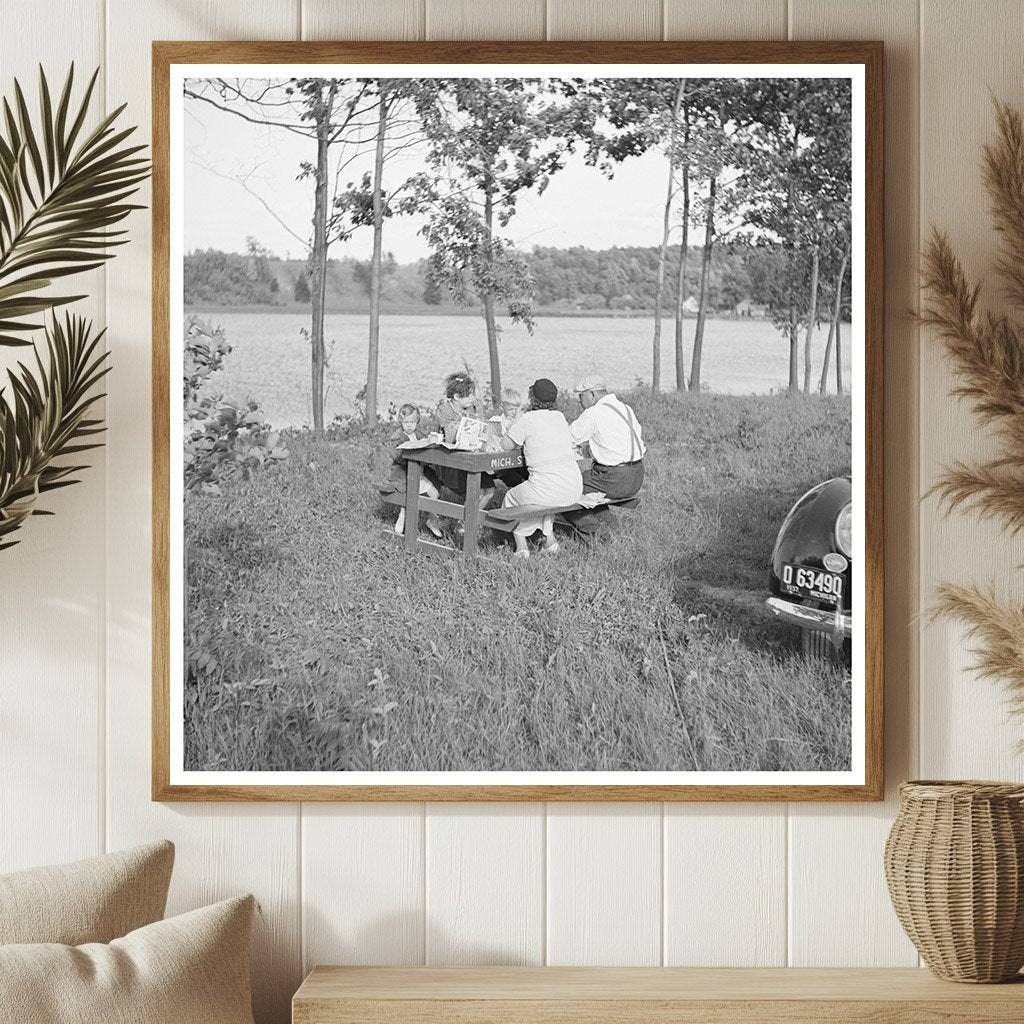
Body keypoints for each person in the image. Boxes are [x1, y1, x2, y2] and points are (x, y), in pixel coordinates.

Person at [500, 378, 583, 558]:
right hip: (574, 486)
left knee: (512, 497)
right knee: (543, 499)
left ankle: (520, 543)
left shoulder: (527, 419)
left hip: (548, 490)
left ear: (532, 397)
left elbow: (506, 446)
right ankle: (550, 539)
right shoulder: (559, 417)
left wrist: (515, 419)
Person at [565, 374, 646, 536]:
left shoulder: (594, 413)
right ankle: (614, 528)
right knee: (588, 484)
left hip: (615, 480)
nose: (579, 401)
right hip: (637, 476)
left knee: (566, 489)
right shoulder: (625, 408)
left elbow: (567, 438)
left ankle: (598, 534)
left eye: (581, 396)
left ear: (592, 394)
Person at [434, 370, 495, 515]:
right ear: (456, 397)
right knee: (477, 491)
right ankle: (466, 523)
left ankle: (468, 522)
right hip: (452, 464)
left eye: (473, 394)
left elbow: (482, 427)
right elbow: (450, 436)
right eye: (469, 395)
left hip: (473, 460)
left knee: (490, 490)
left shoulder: (475, 407)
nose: (473, 398)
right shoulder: (445, 410)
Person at [388, 404, 442, 538]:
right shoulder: (397, 437)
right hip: (404, 474)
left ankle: (432, 520)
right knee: (408, 497)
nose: (409, 426)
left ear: (417, 421)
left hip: (420, 473)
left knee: (435, 493)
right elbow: (396, 456)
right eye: (406, 422)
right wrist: (410, 452)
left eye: (412, 422)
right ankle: (402, 516)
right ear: (401, 422)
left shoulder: (418, 434)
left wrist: (430, 442)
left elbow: (426, 445)